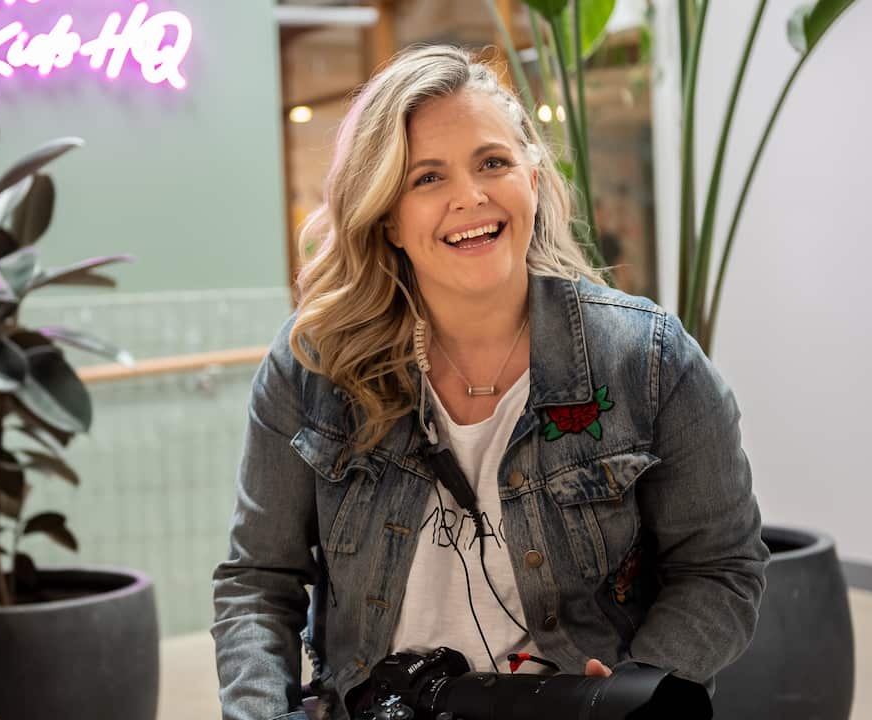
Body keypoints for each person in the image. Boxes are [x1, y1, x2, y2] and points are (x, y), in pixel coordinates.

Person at [212, 45, 767, 720]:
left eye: (492, 163)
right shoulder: (313, 365)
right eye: (427, 177)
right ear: (387, 216)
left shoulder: (647, 359)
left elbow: (720, 567)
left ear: (532, 176)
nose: (470, 197)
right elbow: (257, 582)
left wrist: (630, 695)